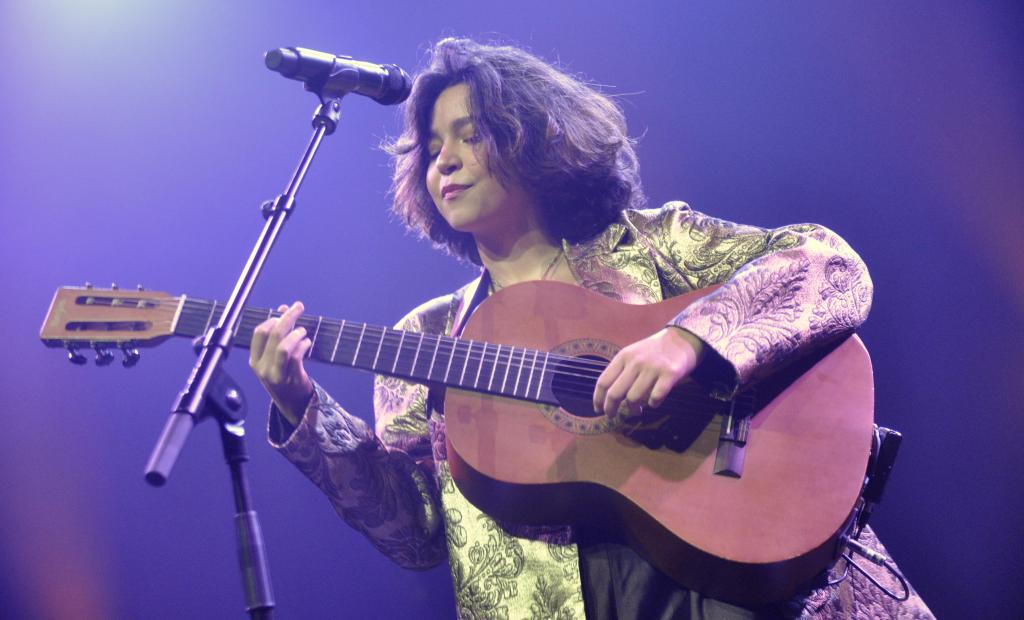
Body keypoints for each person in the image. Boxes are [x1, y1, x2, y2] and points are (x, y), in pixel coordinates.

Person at [249, 38, 933, 619]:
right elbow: (416, 533)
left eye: (470, 134)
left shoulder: (656, 242)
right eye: (430, 149)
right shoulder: (426, 338)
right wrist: (303, 407)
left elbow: (829, 265)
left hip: (744, 574)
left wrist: (690, 341)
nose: (444, 161)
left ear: (535, 134)